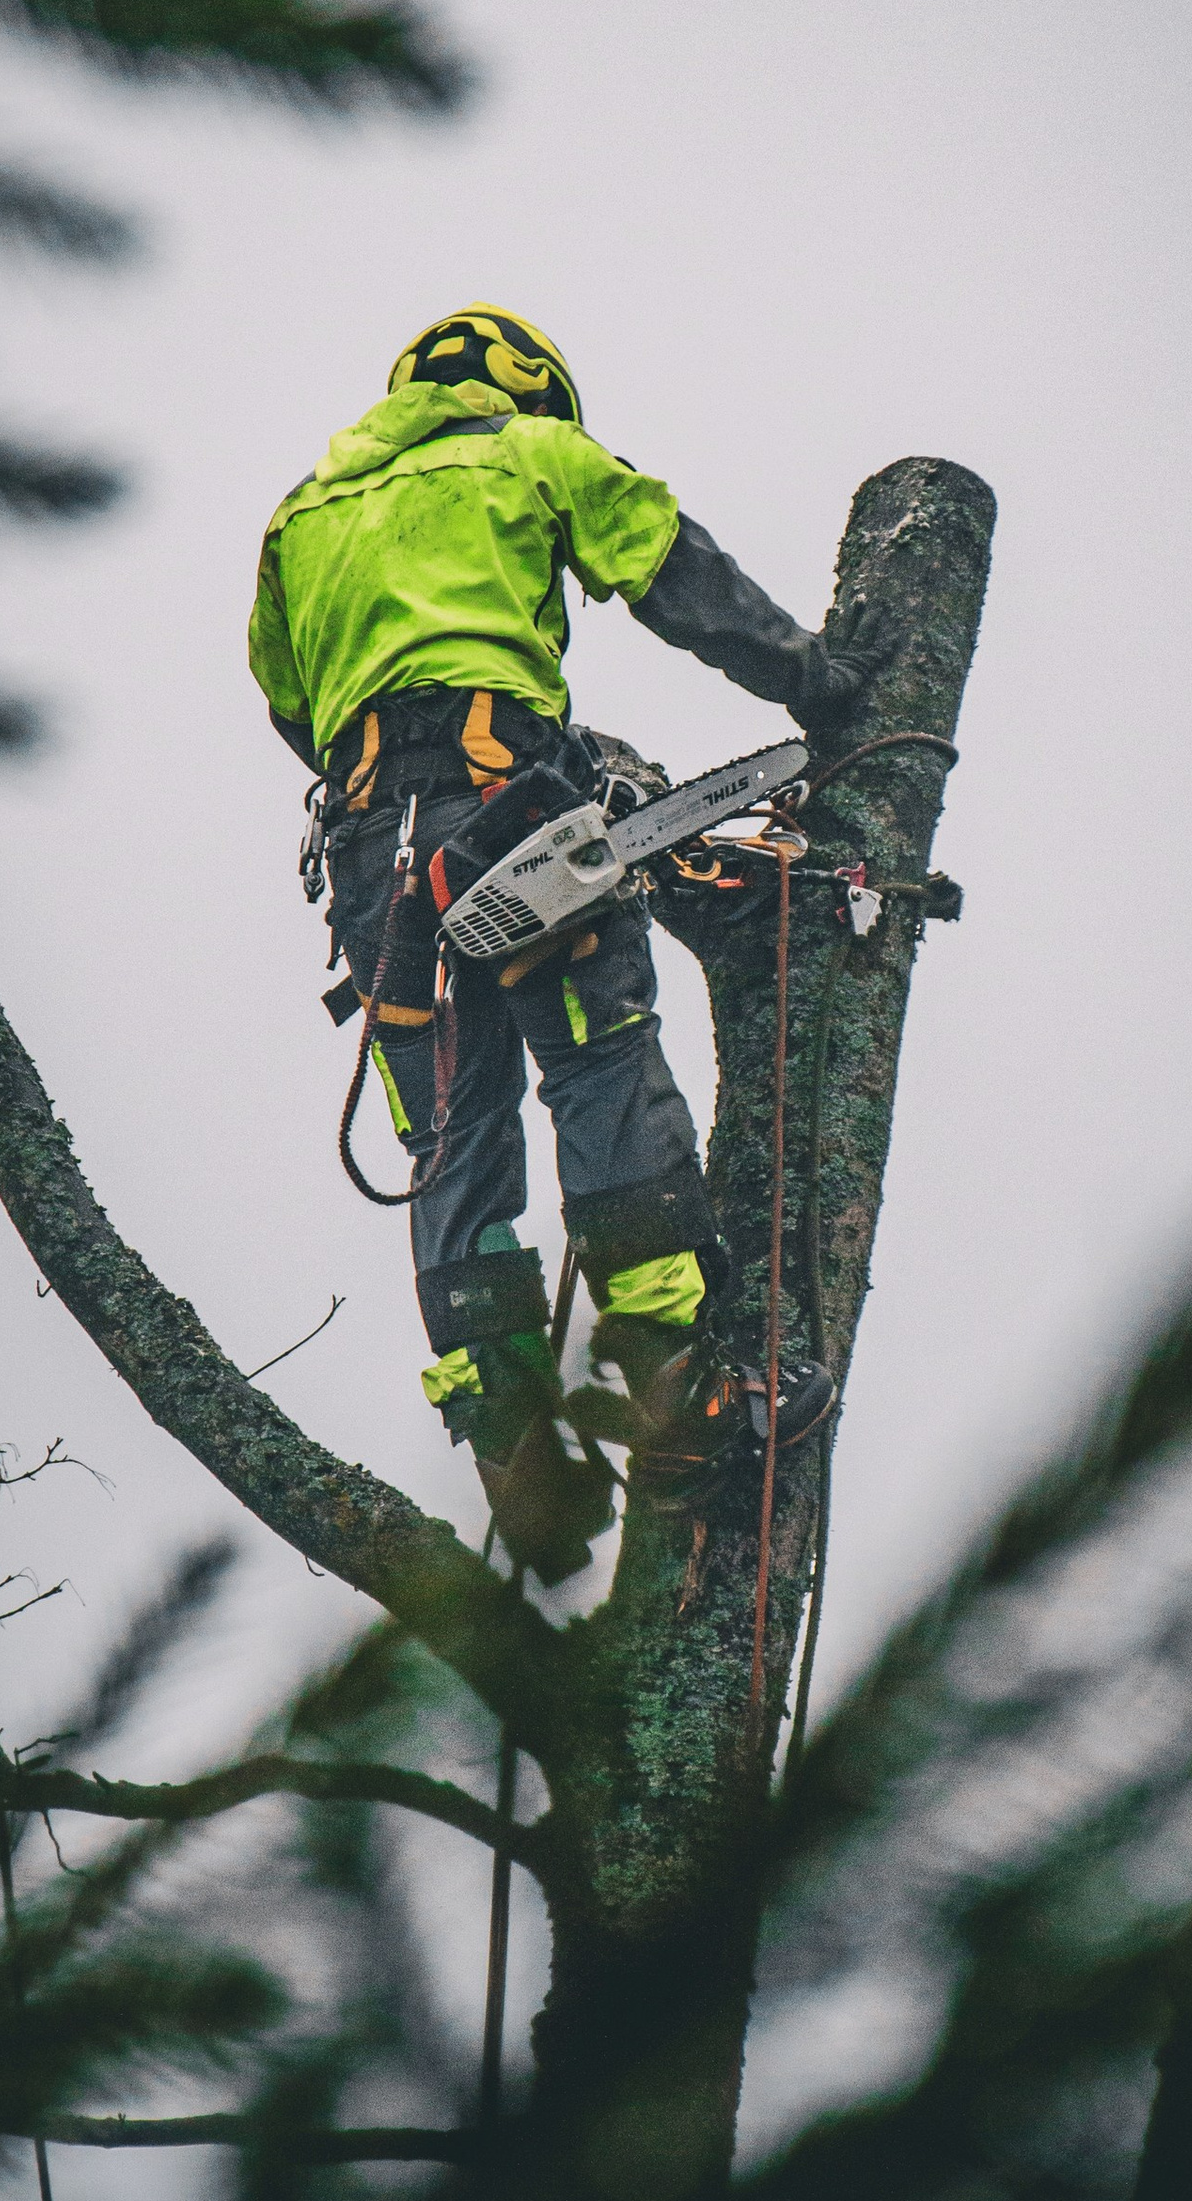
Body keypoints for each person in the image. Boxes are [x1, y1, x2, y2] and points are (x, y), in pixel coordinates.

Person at [249, 305, 890, 1575]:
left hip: (375, 859)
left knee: (450, 1134)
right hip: (506, 805)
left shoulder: (299, 518)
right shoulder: (527, 453)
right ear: (523, 383)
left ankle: (515, 1452)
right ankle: (679, 1393)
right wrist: (814, 678)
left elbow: (288, 699)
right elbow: (672, 570)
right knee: (599, 1055)